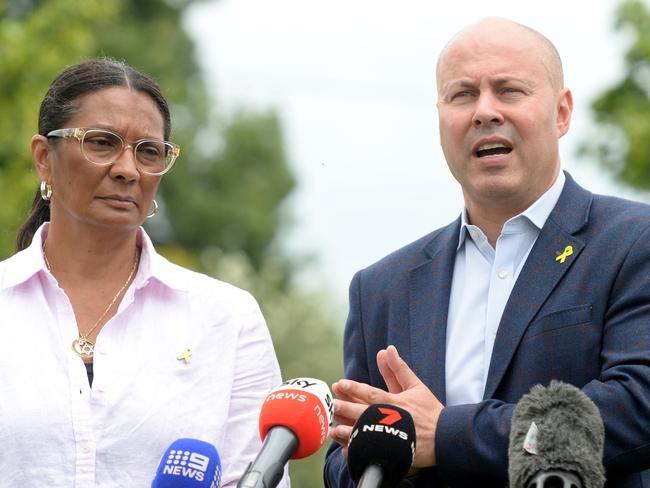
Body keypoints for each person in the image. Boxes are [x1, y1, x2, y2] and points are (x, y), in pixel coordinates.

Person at [324, 17, 650, 487]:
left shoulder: (632, 243)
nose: (485, 112)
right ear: (440, 120)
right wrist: (381, 450)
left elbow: (635, 410)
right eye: (462, 95)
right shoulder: (381, 287)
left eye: (509, 90)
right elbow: (342, 458)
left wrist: (450, 437)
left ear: (561, 113)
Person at [0, 58, 288, 487]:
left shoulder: (226, 319)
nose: (128, 169)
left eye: (149, 151)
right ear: (44, 158)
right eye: (101, 142)